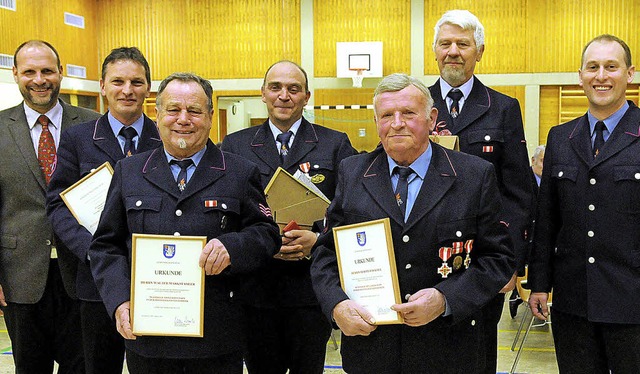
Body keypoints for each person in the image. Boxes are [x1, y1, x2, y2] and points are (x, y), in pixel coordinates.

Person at [310, 73, 514, 373]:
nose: (397, 123)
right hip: (372, 349)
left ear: (431, 118)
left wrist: (446, 298)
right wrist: (336, 305)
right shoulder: (352, 173)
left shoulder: (473, 175)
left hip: (448, 349)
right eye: (387, 115)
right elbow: (326, 254)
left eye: (408, 113)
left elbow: (498, 259)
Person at [88, 72, 280, 373]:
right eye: (173, 109)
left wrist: (232, 246)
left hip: (216, 337)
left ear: (210, 117)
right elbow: (105, 246)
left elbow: (267, 233)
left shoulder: (240, 172)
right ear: (157, 114)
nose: (183, 119)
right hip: (148, 336)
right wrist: (119, 299)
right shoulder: (129, 172)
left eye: (194, 110)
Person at [221, 60, 357, 374]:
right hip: (256, 290)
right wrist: (259, 242)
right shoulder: (235, 145)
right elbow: (228, 214)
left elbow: (349, 209)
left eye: (293, 89)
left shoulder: (335, 144)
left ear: (307, 96)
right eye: (276, 88)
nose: (284, 95)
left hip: (310, 290)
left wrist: (318, 240)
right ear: (263, 94)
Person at [428, 10, 534, 371]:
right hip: (425, 256)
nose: (453, 51)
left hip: (484, 259)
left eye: (463, 43)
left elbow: (518, 192)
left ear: (480, 51)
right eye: (445, 44)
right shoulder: (413, 105)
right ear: (435, 51)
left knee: (478, 354)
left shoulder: (503, 108)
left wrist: (513, 261)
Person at [45, 47, 161, 373]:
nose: (128, 90)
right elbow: (57, 204)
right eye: (118, 81)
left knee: (152, 366)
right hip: (96, 281)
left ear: (148, 88)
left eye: (137, 82)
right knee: (98, 366)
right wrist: (93, 250)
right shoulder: (77, 139)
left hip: (155, 278)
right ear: (102, 86)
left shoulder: (165, 138)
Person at [528, 34, 640, 373]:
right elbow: (547, 219)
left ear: (629, 74)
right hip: (574, 302)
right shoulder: (561, 137)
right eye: (592, 67)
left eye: (611, 67)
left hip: (632, 302)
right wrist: (539, 284)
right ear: (580, 76)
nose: (601, 76)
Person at [0, 40, 100, 373]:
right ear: (15, 74)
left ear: (61, 72)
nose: (39, 79)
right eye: (29, 71)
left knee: (84, 366)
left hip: (84, 273)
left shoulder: (94, 125)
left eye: (47, 71)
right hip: (21, 276)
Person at [509, 144, 546, 318]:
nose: (545, 166)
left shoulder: (551, 181)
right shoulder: (522, 180)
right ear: (533, 161)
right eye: (542, 162)